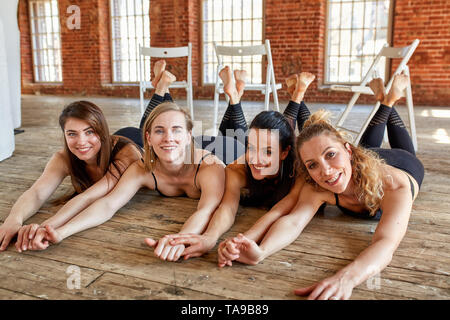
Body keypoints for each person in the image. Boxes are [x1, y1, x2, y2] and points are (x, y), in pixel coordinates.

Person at [218, 73, 425, 300]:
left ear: (347, 150)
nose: (325, 171)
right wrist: (261, 250)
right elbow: (294, 221)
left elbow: (386, 242)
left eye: (331, 155)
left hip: (403, 162)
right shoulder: (317, 185)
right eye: (313, 165)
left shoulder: (395, 185)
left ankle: (389, 100)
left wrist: (346, 278)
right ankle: (385, 99)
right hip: (357, 159)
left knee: (395, 149)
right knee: (364, 149)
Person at [24, 61, 237, 263]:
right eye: (159, 132)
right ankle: (162, 90)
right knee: (162, 123)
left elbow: (206, 210)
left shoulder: (210, 166)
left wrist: (179, 239)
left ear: (189, 135)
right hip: (179, 148)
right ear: (148, 138)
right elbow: (108, 204)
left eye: (176, 131)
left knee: (237, 136)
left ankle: (235, 96)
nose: (167, 137)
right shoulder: (142, 168)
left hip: (227, 148)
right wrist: (59, 232)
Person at [163, 68, 316, 262]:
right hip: (216, 148)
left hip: (234, 147)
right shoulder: (237, 169)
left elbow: (278, 212)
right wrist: (209, 238)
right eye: (251, 148)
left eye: (268, 152)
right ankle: (242, 95)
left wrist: (243, 241)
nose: (256, 159)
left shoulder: (298, 171)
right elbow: (227, 208)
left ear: (285, 153)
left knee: (299, 132)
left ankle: (290, 93)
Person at [0, 100, 143, 252]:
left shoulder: (127, 153)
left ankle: (161, 87)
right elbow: (37, 193)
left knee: (151, 118)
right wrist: (14, 219)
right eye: (72, 134)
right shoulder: (63, 158)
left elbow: (88, 197)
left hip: (135, 138)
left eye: (89, 131)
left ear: (101, 131)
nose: (81, 142)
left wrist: (45, 228)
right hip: (109, 140)